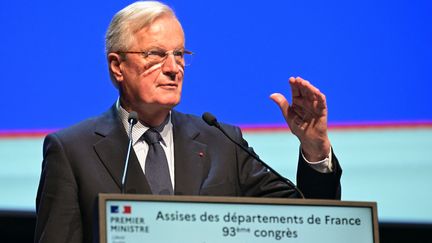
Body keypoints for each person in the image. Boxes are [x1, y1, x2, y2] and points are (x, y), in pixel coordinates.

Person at [35, 1, 342, 242]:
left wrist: (315, 150)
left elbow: (308, 218)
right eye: (156, 54)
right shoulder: (73, 151)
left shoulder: (222, 141)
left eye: (180, 54)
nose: (173, 68)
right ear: (117, 66)